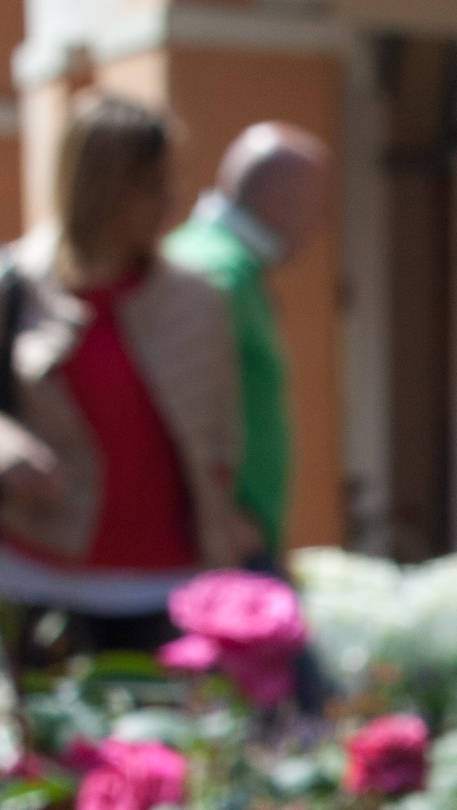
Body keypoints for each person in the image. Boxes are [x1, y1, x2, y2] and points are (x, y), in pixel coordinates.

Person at [0, 95, 250, 680]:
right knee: (50, 765)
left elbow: (224, 433)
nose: (167, 201)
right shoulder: (4, 289)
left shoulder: (197, 302)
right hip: (43, 574)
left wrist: (237, 523)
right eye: (149, 185)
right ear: (103, 187)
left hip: (169, 586)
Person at [167, 123, 332, 561]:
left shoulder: (231, 267)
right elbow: (171, 405)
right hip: (221, 545)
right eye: (317, 207)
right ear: (277, 201)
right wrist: (219, 514)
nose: (321, 226)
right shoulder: (211, 272)